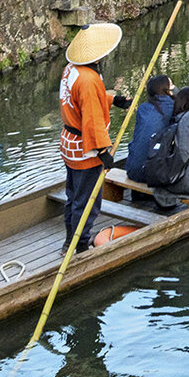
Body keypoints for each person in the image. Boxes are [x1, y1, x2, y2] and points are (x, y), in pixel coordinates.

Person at [60, 22, 130, 253]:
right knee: (88, 200)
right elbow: (91, 118)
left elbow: (81, 102)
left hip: (69, 143)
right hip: (85, 148)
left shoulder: (72, 69)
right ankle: (79, 245)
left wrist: (113, 100)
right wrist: (103, 152)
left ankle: (70, 240)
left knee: (74, 195)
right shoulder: (89, 80)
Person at [123, 75, 175, 181]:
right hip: (154, 174)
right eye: (171, 85)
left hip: (132, 169)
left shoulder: (143, 108)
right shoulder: (174, 108)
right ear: (167, 90)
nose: (174, 87)